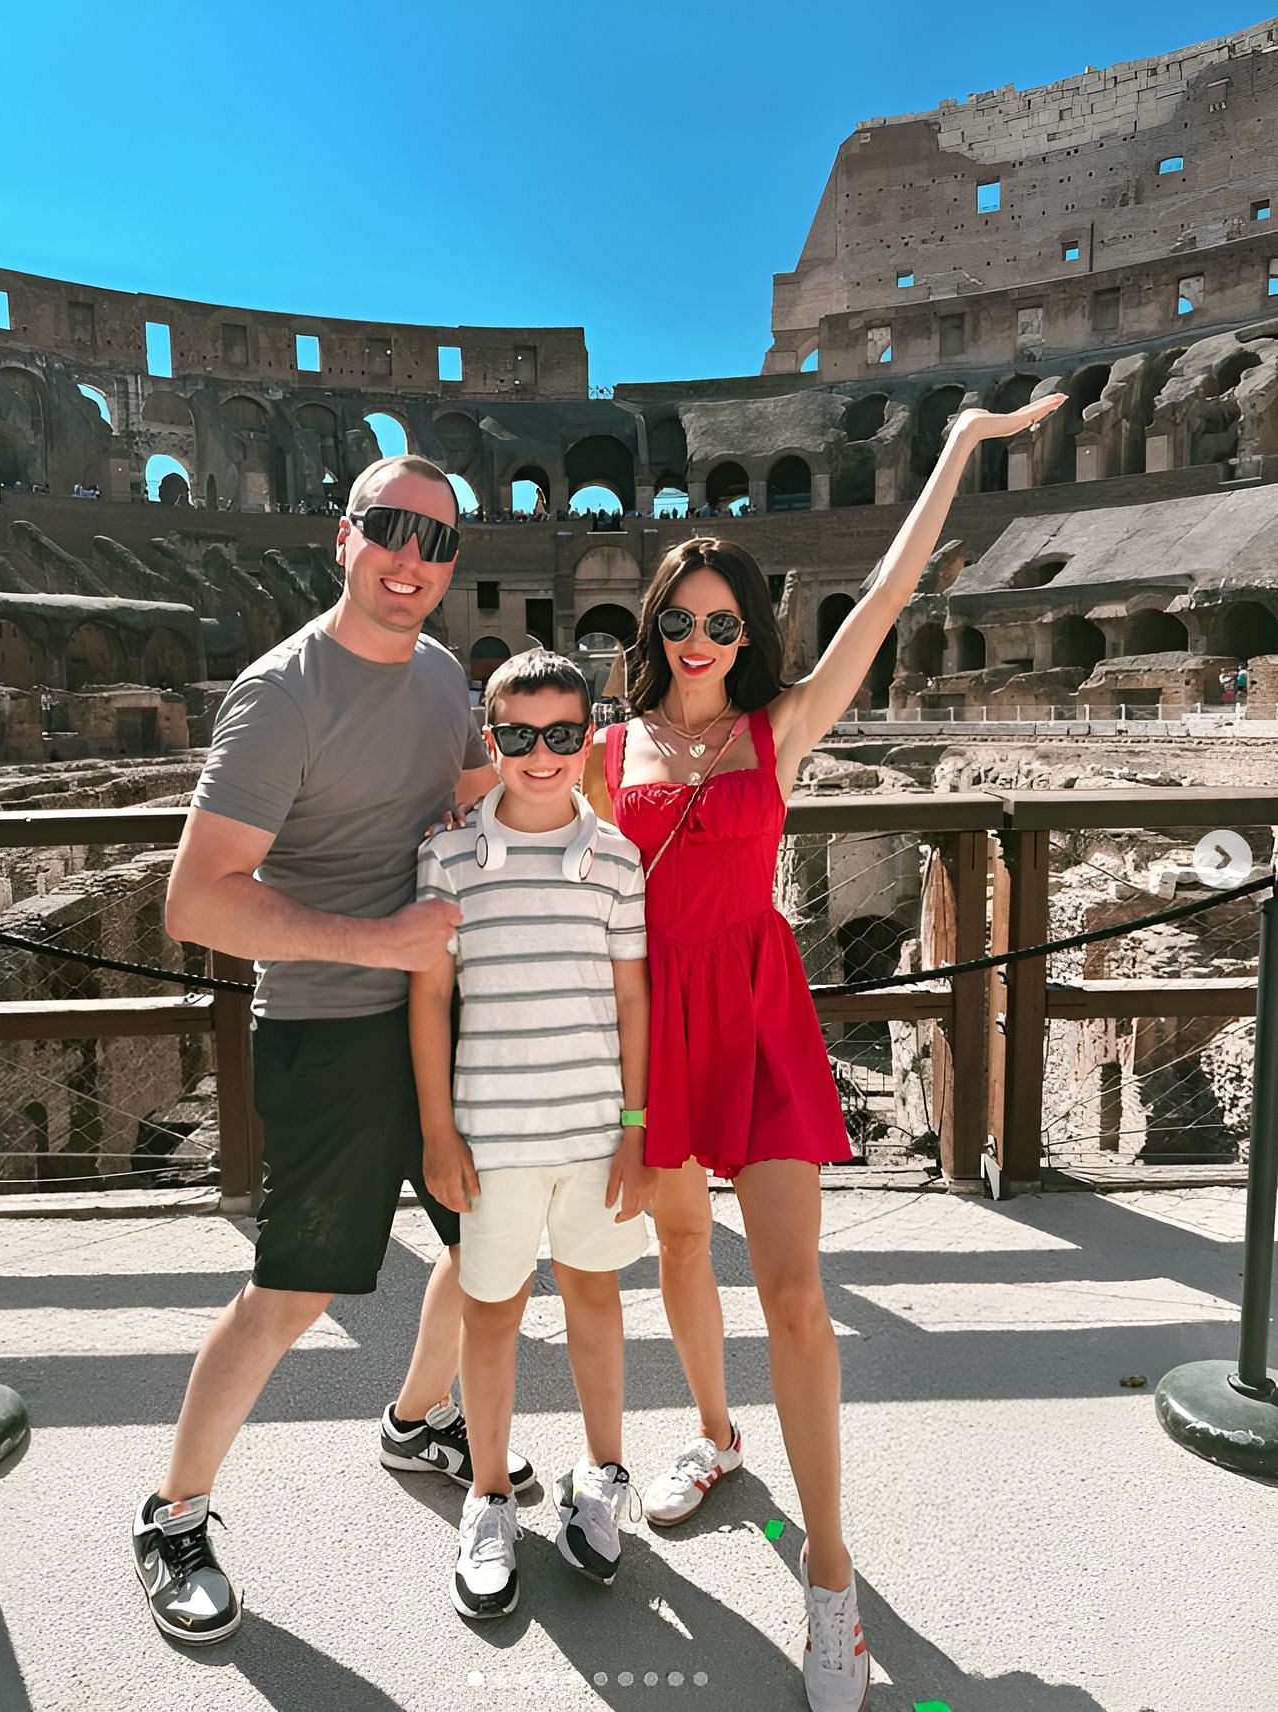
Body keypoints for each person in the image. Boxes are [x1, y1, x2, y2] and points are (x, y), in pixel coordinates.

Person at [584, 391, 1066, 1711]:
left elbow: (891, 593)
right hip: (650, 1023)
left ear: (750, 633)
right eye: (677, 621)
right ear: (653, 630)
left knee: (795, 1295)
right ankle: (716, 1439)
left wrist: (962, 442)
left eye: (720, 622)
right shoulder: (606, 749)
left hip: (751, 1006)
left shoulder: (779, 725)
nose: (696, 639)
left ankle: (832, 1577)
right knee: (680, 1248)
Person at [133, 453, 536, 1646]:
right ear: (344, 535)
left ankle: (417, 1418)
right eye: (393, 530)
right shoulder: (279, 694)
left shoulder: (442, 677)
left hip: (444, 1020)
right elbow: (197, 902)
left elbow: (476, 805)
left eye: (440, 540)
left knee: (489, 1243)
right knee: (291, 1291)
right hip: (322, 1028)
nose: (414, 559)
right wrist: (383, 937)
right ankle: (172, 1512)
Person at [411, 647, 653, 1619]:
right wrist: (438, 1130)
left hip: (595, 1126)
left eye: (561, 734)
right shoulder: (448, 855)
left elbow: (632, 996)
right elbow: (428, 997)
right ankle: (486, 1494)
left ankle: (601, 1476)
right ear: (491, 738)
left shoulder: (617, 857)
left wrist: (635, 1127)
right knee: (492, 1309)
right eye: (518, 735)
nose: (540, 754)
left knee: (594, 1296)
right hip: (493, 1130)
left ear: (587, 737)